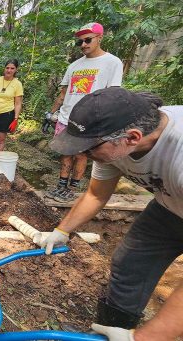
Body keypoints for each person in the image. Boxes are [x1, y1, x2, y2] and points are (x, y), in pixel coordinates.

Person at [41, 88, 183, 341]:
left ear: (131, 138)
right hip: (171, 207)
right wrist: (61, 231)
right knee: (130, 264)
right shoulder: (112, 144)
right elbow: (96, 195)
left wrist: (144, 338)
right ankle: (111, 330)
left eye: (88, 149)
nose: (81, 155)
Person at [44, 22, 123, 202]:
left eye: (88, 40)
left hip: (89, 120)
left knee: (81, 155)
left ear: (99, 38)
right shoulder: (74, 66)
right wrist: (50, 114)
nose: (83, 45)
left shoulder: (112, 63)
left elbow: (112, 95)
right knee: (65, 152)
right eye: (80, 42)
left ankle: (72, 189)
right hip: (66, 117)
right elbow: (63, 93)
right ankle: (61, 186)